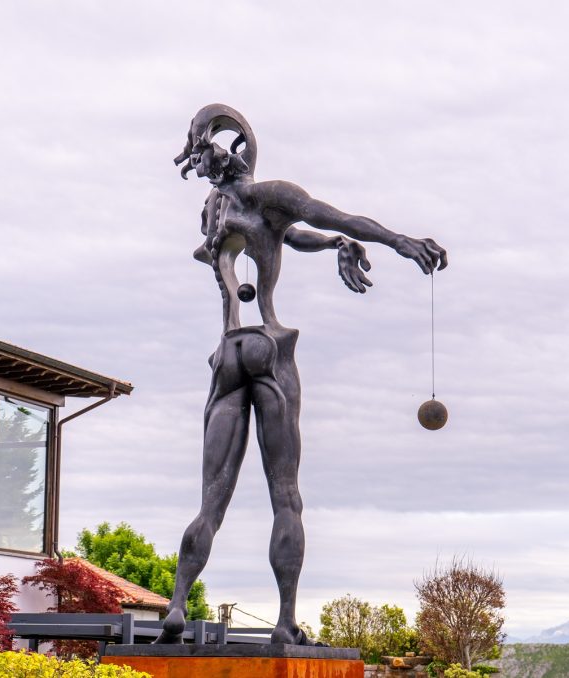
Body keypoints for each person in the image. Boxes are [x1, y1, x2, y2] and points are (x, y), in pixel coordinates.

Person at [156, 104, 446, 645]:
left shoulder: (216, 212)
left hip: (227, 353)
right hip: (269, 346)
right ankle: (285, 620)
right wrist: (399, 242)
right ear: (244, 154)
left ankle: (175, 605)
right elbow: (333, 217)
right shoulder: (271, 196)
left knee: (211, 501)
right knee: (285, 495)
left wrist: (331, 246)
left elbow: (292, 237)